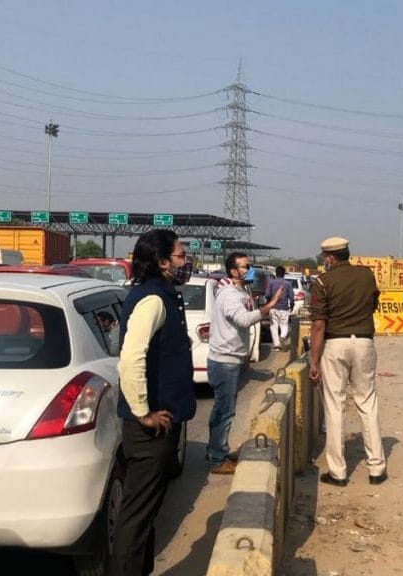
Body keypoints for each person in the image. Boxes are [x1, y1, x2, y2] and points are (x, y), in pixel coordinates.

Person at [112, 229, 196, 576]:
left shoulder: (163, 295)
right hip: (149, 430)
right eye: (180, 256)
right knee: (136, 517)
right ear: (162, 262)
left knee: (145, 515)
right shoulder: (152, 299)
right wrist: (143, 412)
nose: (185, 261)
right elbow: (131, 359)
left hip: (162, 419)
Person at [309, 236, 387, 487]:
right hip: (364, 342)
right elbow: (373, 304)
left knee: (335, 406)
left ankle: (338, 472)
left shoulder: (322, 282)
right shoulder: (366, 275)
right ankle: (377, 468)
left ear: (329, 257)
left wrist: (313, 361)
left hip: (335, 344)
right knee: (367, 402)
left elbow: (319, 324)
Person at [206, 252, 282, 474]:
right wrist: (270, 306)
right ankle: (218, 459)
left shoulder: (239, 291)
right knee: (225, 411)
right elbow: (243, 320)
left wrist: (245, 357)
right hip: (224, 361)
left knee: (221, 409)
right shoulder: (230, 295)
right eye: (245, 266)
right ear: (233, 271)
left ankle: (216, 449)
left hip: (232, 359)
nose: (250, 269)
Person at [265, 266, 295, 350]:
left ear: (276, 273)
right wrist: (292, 305)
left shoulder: (271, 283)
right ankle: (282, 336)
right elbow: (292, 297)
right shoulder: (288, 284)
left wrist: (270, 302)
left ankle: (277, 345)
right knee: (284, 325)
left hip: (273, 308)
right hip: (284, 308)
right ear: (284, 274)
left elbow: (267, 295)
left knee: (273, 326)